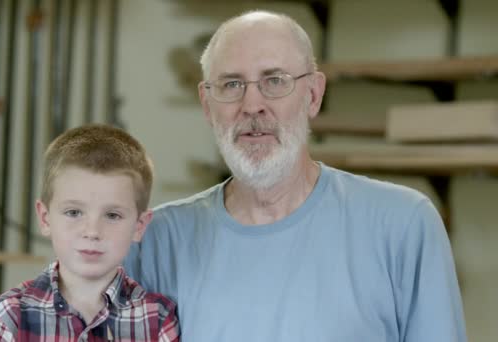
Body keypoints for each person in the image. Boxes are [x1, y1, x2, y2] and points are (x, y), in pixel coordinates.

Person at [124, 10, 466, 341]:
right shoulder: (157, 242)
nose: (252, 104)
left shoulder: (402, 224)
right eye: (231, 84)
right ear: (207, 104)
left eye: (275, 81)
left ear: (314, 95)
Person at [0, 125, 180, 341]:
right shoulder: (8, 318)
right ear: (45, 218)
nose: (92, 231)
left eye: (112, 215)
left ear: (139, 225)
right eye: (74, 212)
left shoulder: (158, 319)